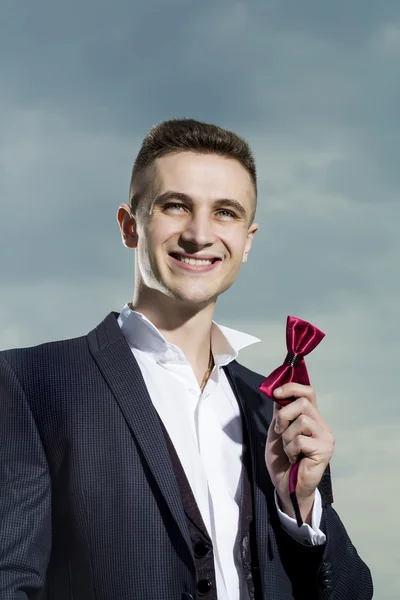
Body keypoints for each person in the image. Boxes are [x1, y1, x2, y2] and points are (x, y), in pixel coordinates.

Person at [0, 119, 372, 600]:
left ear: (248, 240)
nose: (200, 233)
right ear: (130, 225)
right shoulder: (29, 383)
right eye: (176, 206)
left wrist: (301, 505)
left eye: (225, 213)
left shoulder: (274, 408)